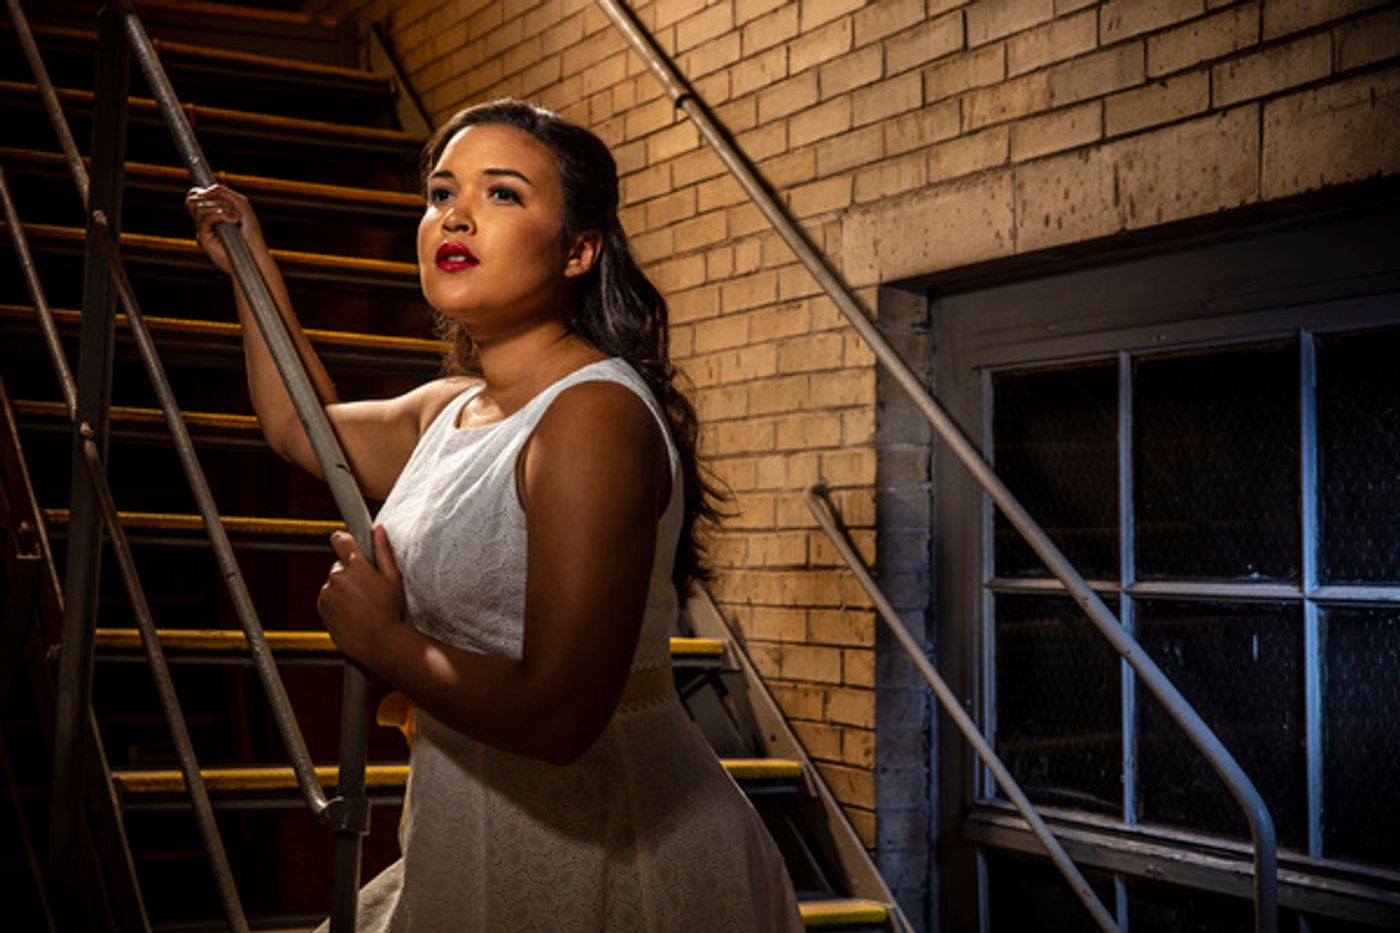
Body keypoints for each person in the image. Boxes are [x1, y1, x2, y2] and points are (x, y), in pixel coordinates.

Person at [186, 99, 804, 932]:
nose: (457, 214)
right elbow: (300, 427)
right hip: (469, 841)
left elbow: (562, 716)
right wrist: (249, 269)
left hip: (616, 861)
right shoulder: (450, 409)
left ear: (580, 249)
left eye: (503, 194)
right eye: (441, 192)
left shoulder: (591, 416)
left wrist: (384, 642)